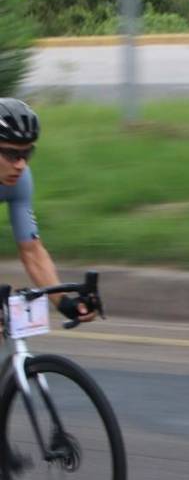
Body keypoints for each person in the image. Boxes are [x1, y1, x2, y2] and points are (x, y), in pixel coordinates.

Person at [0, 98, 95, 324]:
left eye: (27, 154)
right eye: (12, 154)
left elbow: (32, 251)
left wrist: (63, 302)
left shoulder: (21, 180)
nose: (21, 165)